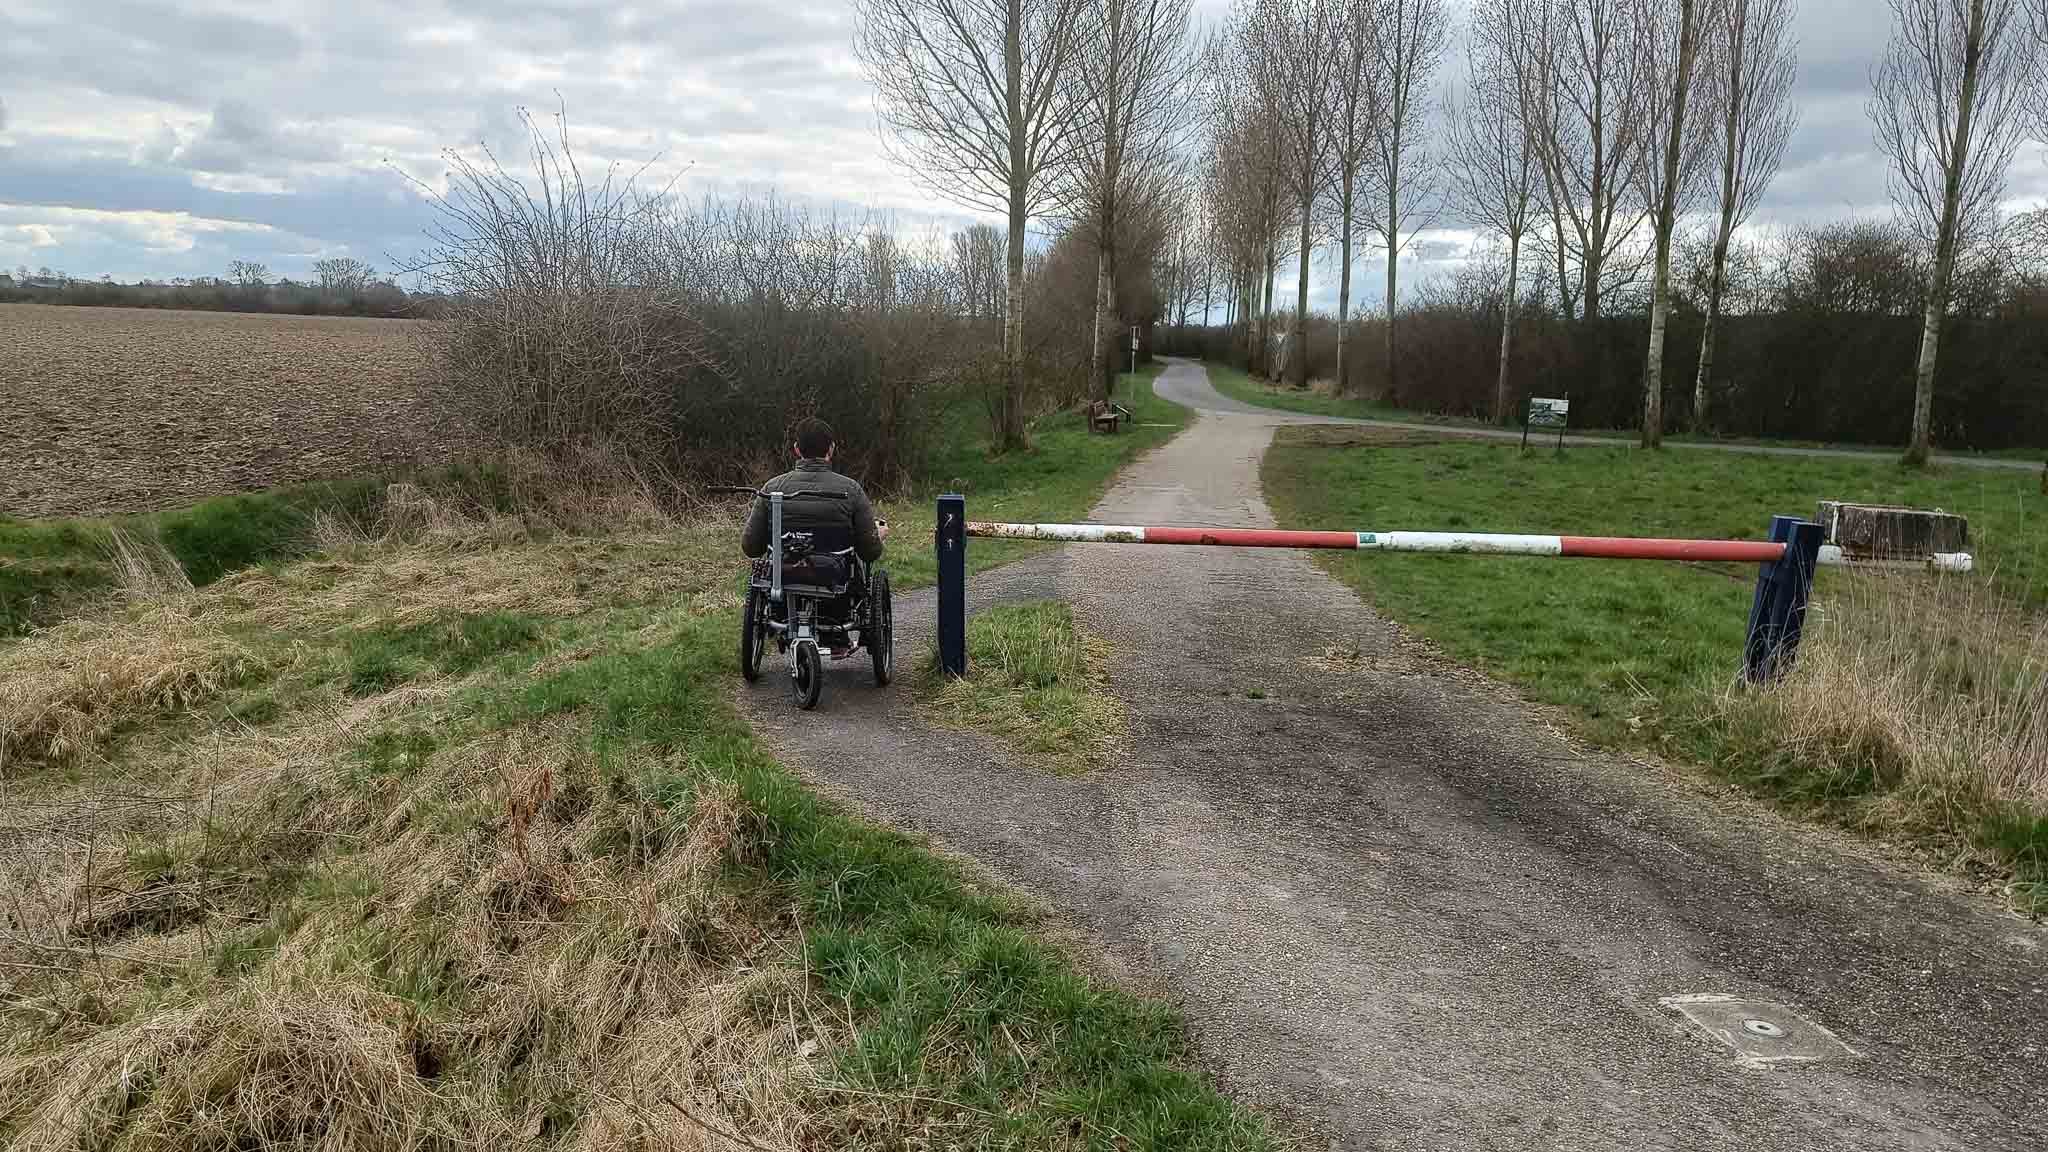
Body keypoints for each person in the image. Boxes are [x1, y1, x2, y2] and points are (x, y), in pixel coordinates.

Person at [741, 418, 888, 653]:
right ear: (831, 449)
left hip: (783, 577)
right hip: (834, 579)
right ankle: (837, 635)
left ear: (796, 449)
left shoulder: (771, 488)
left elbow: (751, 547)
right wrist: (879, 534)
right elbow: (869, 551)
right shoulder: (851, 490)